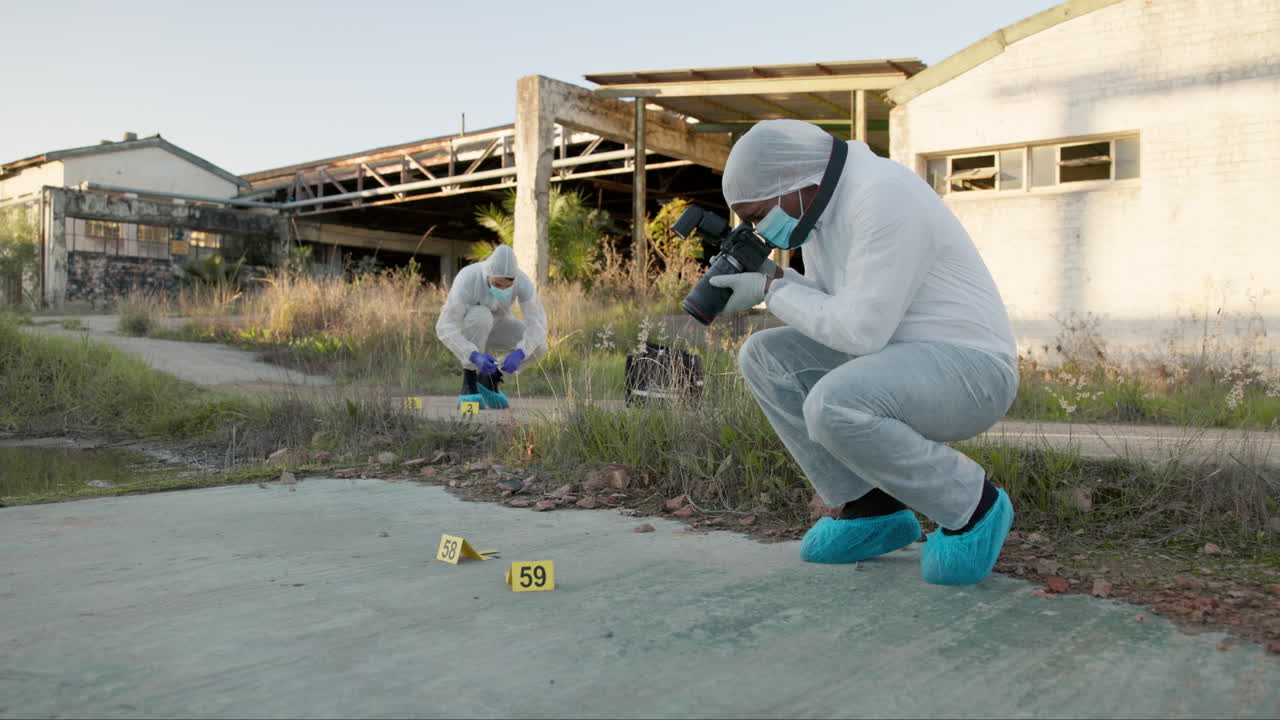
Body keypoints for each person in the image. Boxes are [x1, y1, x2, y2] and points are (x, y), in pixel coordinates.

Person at [708, 119, 1019, 585]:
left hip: (970, 371)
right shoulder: (821, 211)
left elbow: (859, 331)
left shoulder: (882, 196)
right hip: (898, 358)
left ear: (793, 184)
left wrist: (771, 290)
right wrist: (775, 279)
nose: (760, 230)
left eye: (757, 215)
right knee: (764, 356)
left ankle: (973, 507)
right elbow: (835, 304)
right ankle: (871, 507)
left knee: (833, 404)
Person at [435, 244, 547, 409]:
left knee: (540, 347)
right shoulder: (467, 277)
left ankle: (489, 378)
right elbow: (444, 326)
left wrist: (521, 352)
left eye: (507, 286)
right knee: (482, 315)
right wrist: (473, 356)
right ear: (487, 274)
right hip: (471, 326)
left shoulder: (522, 281)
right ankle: (470, 381)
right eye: (497, 284)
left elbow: (538, 324)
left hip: (499, 325)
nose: (503, 289)